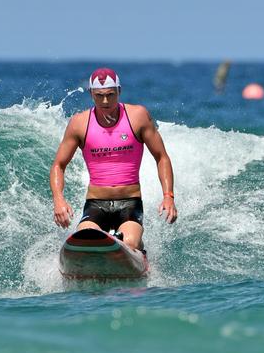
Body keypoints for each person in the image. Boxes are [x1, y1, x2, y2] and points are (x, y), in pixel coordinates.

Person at [50, 68, 177, 252]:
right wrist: (59, 200)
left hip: (129, 203)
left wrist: (168, 197)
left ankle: (138, 249)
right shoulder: (79, 123)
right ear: (91, 94)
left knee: (129, 243)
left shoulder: (138, 117)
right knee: (85, 240)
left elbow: (161, 157)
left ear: (119, 91)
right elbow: (58, 165)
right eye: (99, 95)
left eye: (110, 94)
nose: (105, 101)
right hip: (95, 204)